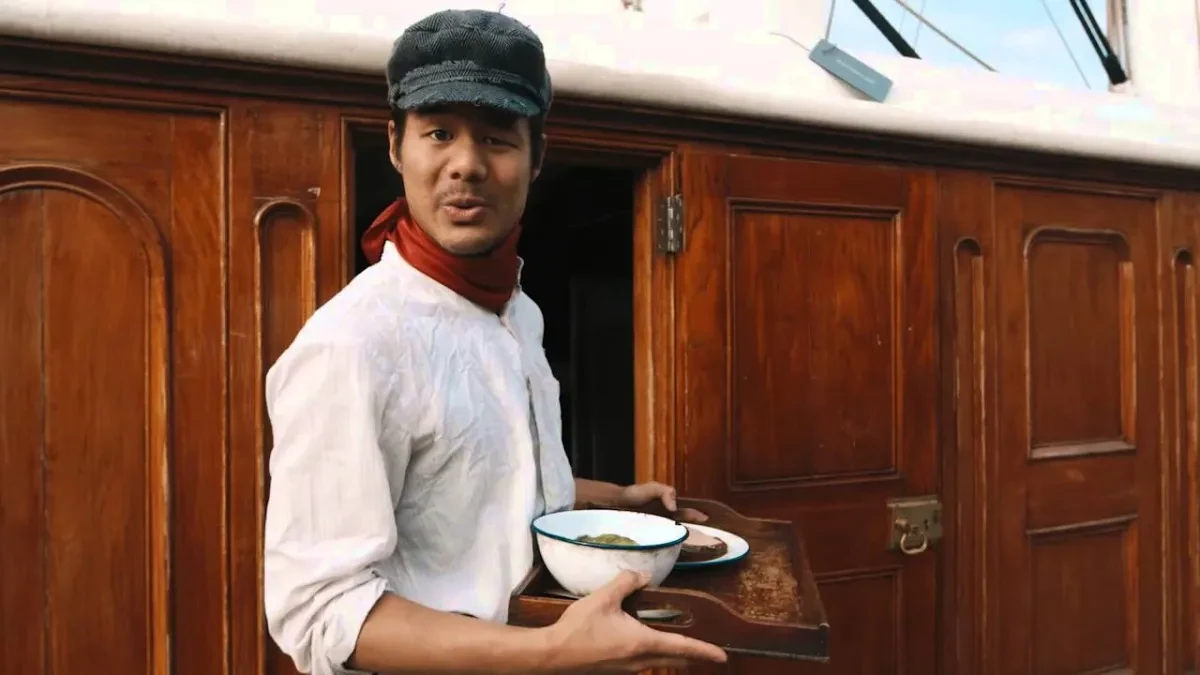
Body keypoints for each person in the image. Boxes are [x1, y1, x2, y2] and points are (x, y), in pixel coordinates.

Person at [262, 8, 728, 675]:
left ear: (537, 158)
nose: (467, 165)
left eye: (498, 138)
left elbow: (483, 476)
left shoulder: (519, 312)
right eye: (439, 132)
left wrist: (609, 497)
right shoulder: (353, 345)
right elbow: (318, 608)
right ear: (396, 147)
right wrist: (549, 652)